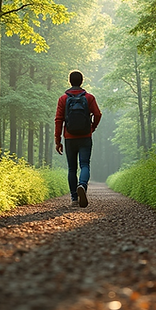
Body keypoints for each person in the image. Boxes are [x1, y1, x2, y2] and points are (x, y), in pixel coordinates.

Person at [54, 70, 102, 208]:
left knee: (71, 168)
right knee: (85, 164)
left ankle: (74, 199)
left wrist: (58, 140)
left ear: (70, 81)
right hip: (85, 137)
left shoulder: (63, 99)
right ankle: (82, 185)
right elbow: (98, 114)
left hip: (69, 138)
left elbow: (58, 120)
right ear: (82, 81)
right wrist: (92, 127)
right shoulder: (89, 98)